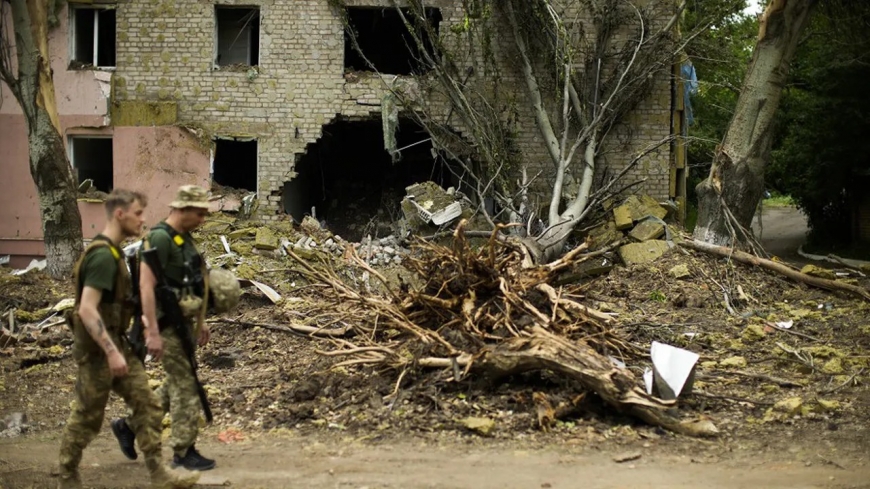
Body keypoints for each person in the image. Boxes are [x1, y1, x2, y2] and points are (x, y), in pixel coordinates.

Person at [58, 189, 199, 489]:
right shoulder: (101, 257)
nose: (143, 219)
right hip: (98, 353)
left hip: (119, 344)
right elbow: (86, 308)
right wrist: (111, 352)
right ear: (119, 214)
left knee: (147, 406)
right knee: (87, 418)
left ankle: (159, 474)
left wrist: (145, 322)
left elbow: (119, 301)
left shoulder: (116, 252)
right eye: (137, 213)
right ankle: (68, 477)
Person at [112, 185, 216, 471]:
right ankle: (183, 451)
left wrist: (201, 321)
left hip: (182, 323)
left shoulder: (185, 240)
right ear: (182, 209)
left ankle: (129, 426)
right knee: (185, 385)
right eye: (199, 213)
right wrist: (152, 332)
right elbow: (146, 287)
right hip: (164, 325)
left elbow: (193, 283)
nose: (202, 219)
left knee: (176, 383)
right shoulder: (158, 238)